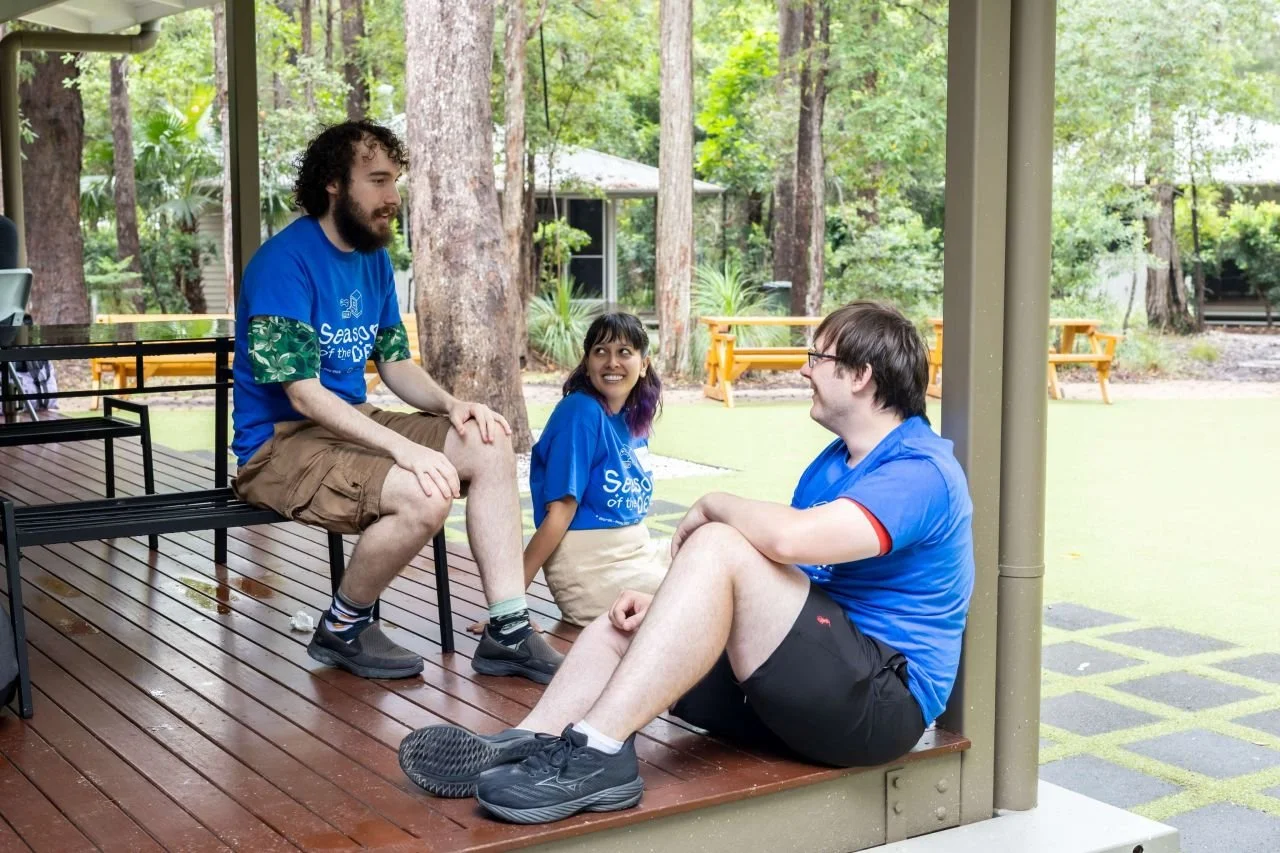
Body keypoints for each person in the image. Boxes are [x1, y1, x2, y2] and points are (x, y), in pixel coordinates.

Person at [397, 300, 975, 824]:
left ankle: (598, 751)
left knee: (722, 541)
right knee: (626, 621)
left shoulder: (919, 471)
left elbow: (795, 544)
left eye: (817, 357)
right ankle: (530, 740)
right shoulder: (834, 463)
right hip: (807, 688)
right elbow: (797, 584)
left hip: (876, 705)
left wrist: (713, 504)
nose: (804, 370)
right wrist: (674, 607)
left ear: (860, 375)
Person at [232, 120, 562, 684]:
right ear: (334, 184)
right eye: (377, 181)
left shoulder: (372, 259)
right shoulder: (282, 264)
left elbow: (394, 364)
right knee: (423, 495)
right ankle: (343, 626)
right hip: (278, 446)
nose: (392, 198)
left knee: (488, 441)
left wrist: (453, 405)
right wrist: (404, 450)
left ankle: (507, 631)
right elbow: (304, 395)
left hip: (348, 425)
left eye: (395, 182)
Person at [467, 312, 667, 633]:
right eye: (600, 351)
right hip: (593, 567)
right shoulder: (581, 412)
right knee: (698, 595)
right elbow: (558, 515)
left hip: (636, 553)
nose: (611, 362)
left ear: (644, 364)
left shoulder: (633, 415)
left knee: (712, 559)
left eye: (624, 352)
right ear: (587, 362)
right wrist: (509, 609)